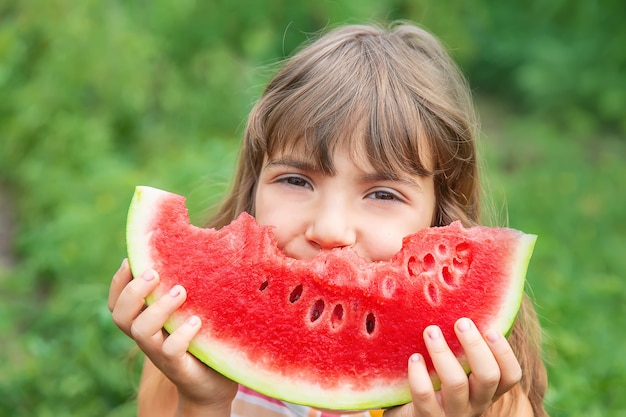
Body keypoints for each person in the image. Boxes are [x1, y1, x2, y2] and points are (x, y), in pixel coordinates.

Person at [108, 22, 548, 417]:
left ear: (440, 216)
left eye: (382, 193)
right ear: (254, 185)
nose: (330, 230)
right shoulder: (186, 350)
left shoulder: (483, 393)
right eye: (297, 181)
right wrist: (203, 403)